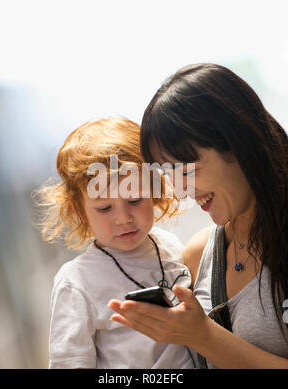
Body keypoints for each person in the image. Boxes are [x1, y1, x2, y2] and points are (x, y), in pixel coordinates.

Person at [108, 63, 288, 369]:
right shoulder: (198, 255)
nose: (180, 192)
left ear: (237, 143)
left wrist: (205, 337)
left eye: (186, 169)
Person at [33, 117, 196, 369]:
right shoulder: (76, 282)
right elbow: (70, 362)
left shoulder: (171, 247)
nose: (123, 219)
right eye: (105, 207)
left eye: (134, 201)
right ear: (79, 210)